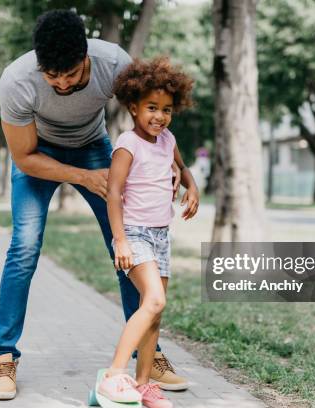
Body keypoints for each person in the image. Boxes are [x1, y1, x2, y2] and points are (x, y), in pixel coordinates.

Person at [0, 10, 188, 400]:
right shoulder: (16, 81)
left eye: (72, 75)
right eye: (52, 76)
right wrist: (83, 177)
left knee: (129, 245)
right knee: (24, 246)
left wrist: (177, 165)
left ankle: (150, 354)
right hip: (37, 154)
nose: (61, 83)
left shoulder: (114, 63)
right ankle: (3, 357)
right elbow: (24, 158)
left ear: (86, 58)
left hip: (93, 146)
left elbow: (152, 118)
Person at [96, 58, 199, 408]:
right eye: (152, 108)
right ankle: (114, 375)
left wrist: (192, 186)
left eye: (167, 109)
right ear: (133, 107)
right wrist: (120, 239)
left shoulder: (167, 139)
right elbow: (113, 193)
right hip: (135, 235)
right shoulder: (127, 144)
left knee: (153, 312)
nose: (160, 116)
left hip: (161, 236)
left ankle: (142, 386)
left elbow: (182, 168)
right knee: (154, 299)